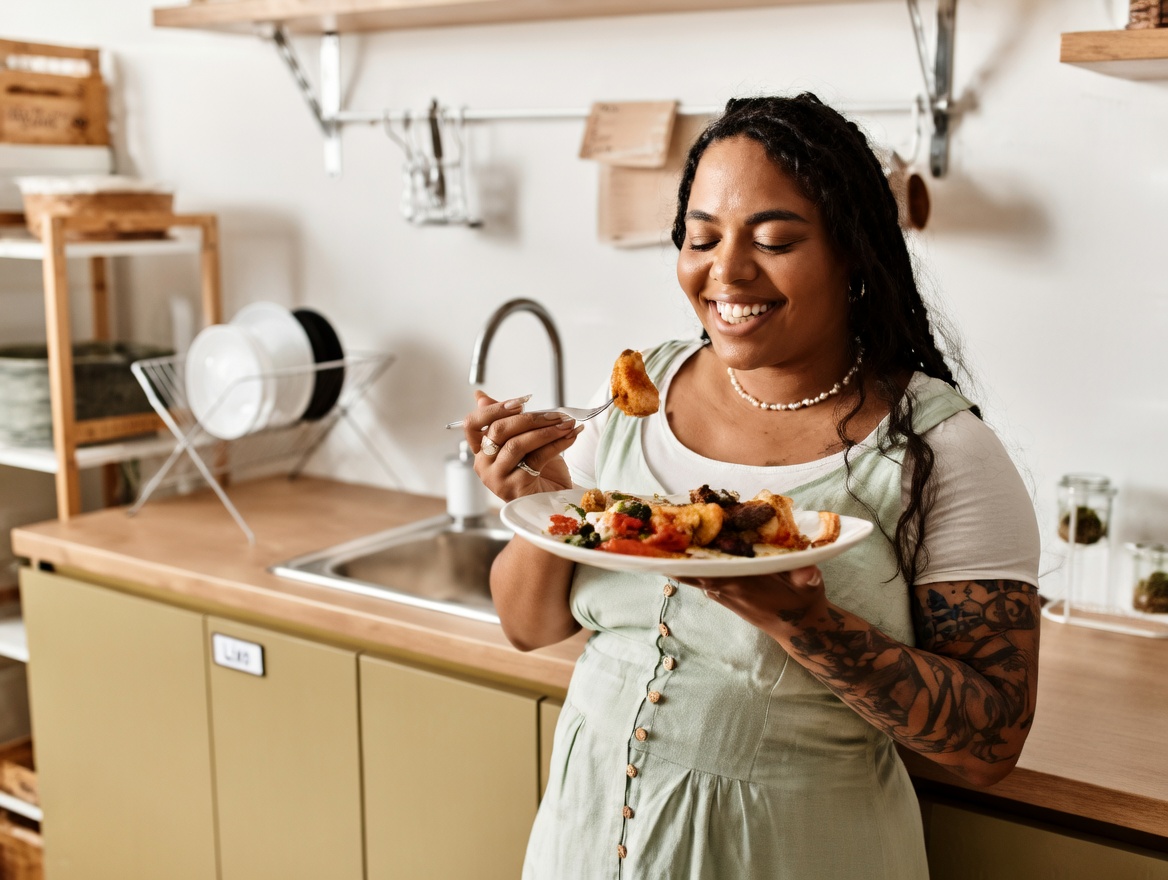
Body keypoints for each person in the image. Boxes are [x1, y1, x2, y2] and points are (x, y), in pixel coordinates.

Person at [460, 93, 1041, 880]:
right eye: (701, 238)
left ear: (852, 251)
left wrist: (806, 623)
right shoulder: (640, 395)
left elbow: (991, 743)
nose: (726, 271)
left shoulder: (940, 451)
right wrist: (544, 499)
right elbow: (528, 626)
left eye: (772, 240)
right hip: (584, 843)